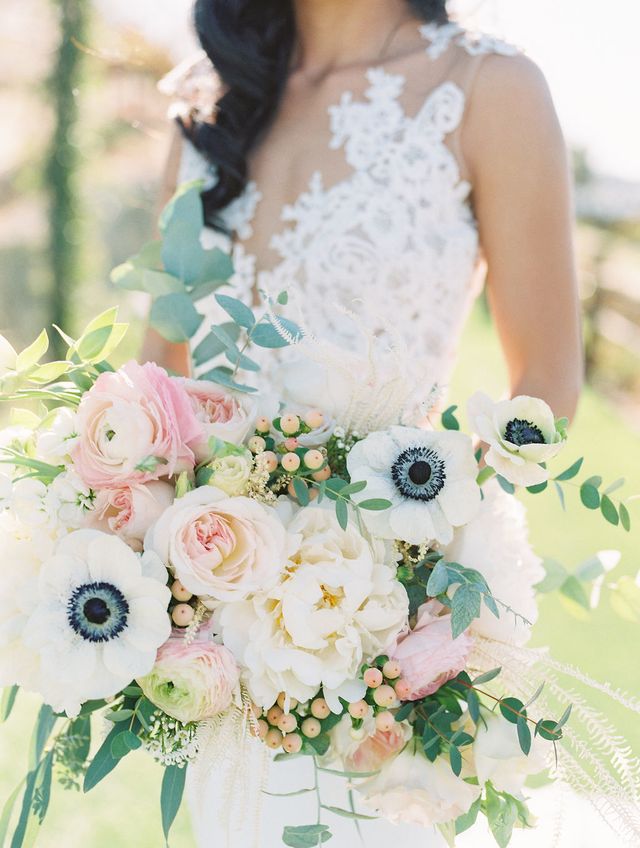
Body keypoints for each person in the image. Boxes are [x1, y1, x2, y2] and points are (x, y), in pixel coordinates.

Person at [146, 1, 583, 844]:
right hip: (222, 656)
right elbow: (164, 376)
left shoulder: (489, 88)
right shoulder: (212, 104)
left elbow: (547, 385)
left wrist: (421, 575)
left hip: (384, 655)